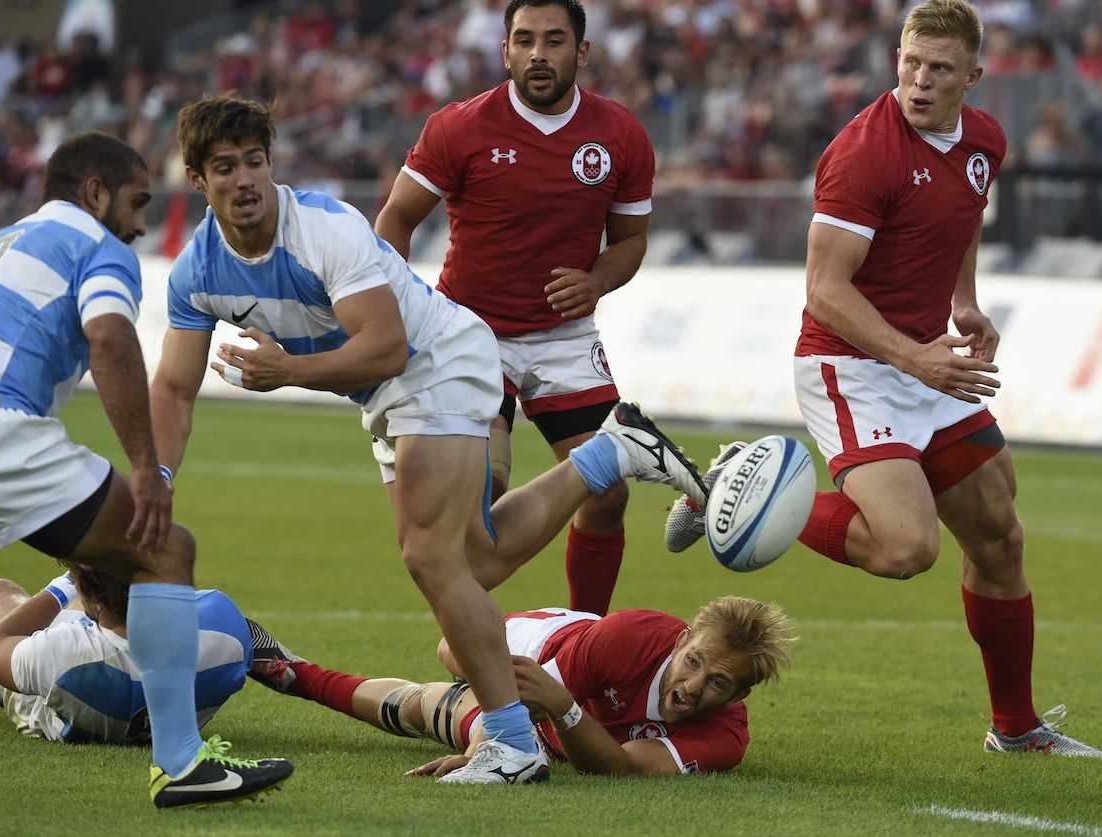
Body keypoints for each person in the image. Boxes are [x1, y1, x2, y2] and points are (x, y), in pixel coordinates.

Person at [149, 95, 705, 785]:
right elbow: (174, 388)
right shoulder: (194, 272)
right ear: (197, 180)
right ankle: (611, 451)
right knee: (473, 561)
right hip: (388, 389)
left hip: (433, 358)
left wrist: (288, 370)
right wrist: (158, 480)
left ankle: (510, 745)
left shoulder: (323, 229)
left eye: (255, 162)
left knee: (428, 556)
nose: (245, 180)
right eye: (225, 168)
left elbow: (385, 346)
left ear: (272, 164)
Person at [670, 0, 1102, 758]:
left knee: (1000, 536)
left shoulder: (984, 141)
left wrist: (963, 301)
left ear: (973, 76)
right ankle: (729, 487)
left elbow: (966, 213)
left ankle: (1016, 729)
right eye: (909, 62)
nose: (920, 80)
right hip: (852, 364)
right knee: (906, 549)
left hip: (922, 360)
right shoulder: (862, 152)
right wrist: (914, 357)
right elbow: (825, 293)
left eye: (939, 68)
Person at [0, 131, 291, 807]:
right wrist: (146, 467)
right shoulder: (98, 249)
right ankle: (182, 761)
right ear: (95, 192)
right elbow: (111, 338)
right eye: (136, 201)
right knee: (164, 547)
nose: (141, 222)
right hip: (0, 430)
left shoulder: (4, 240)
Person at [374, 0, 655, 617]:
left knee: (607, 498)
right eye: (523, 40)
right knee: (481, 502)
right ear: (504, 50)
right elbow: (395, 219)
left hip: (564, 336)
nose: (537, 54)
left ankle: (585, 635)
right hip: (471, 335)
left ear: (581, 53)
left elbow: (630, 242)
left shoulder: (620, 134)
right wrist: (400, 312)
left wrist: (596, 281)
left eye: (554, 41)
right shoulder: (459, 127)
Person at [253, 596, 794, 777]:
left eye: (717, 681)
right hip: (540, 648)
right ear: (681, 641)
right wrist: (477, 746)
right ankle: (292, 672)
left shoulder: (727, 737)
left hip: (563, 700)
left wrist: (569, 712)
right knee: (438, 695)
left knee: (526, 742)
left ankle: (289, 668)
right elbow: (523, 704)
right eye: (692, 661)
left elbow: (623, 769)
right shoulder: (630, 636)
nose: (692, 686)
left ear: (739, 696)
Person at [0, 567, 253, 746]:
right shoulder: (223, 629)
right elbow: (257, 644)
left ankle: (0, 689)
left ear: (96, 597)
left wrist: (65, 584)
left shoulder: (63, 654)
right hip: (141, 687)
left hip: (50, 703)